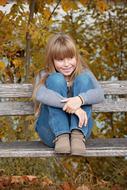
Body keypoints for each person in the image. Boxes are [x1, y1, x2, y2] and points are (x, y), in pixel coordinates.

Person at [32, 32, 104, 155]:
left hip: (80, 134)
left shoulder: (84, 72)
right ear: (51, 60)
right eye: (60, 60)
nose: (66, 64)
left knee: (84, 79)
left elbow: (100, 94)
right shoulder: (44, 74)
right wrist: (74, 108)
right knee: (56, 79)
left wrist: (80, 100)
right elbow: (40, 94)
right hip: (50, 132)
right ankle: (62, 135)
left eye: (70, 58)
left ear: (76, 56)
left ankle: (77, 135)